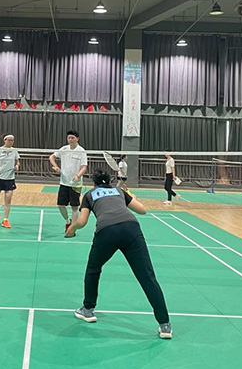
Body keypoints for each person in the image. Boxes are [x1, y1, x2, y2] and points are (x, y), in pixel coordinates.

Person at [65, 169, 172, 339]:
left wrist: (71, 229)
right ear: (110, 181)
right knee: (147, 277)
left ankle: (88, 309)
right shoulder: (119, 191)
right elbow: (142, 210)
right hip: (131, 229)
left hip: (106, 231)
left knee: (93, 269)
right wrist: (133, 198)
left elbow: (82, 221)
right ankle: (164, 325)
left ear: (94, 183)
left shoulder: (89, 194)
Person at [49, 130, 88, 233]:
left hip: (75, 184)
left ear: (77, 139)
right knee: (60, 205)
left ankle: (72, 229)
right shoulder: (64, 149)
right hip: (64, 182)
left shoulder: (81, 151)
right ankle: (68, 221)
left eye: (72, 138)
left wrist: (78, 175)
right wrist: (55, 166)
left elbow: (84, 167)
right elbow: (51, 157)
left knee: (74, 207)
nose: (70, 140)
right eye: (69, 138)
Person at [0, 134, 20, 228]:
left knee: (8, 201)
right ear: (5, 140)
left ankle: (5, 220)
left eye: (12, 140)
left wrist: (17, 166)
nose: (11, 142)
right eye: (9, 140)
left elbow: (17, 161)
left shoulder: (14, 151)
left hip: (9, 179)